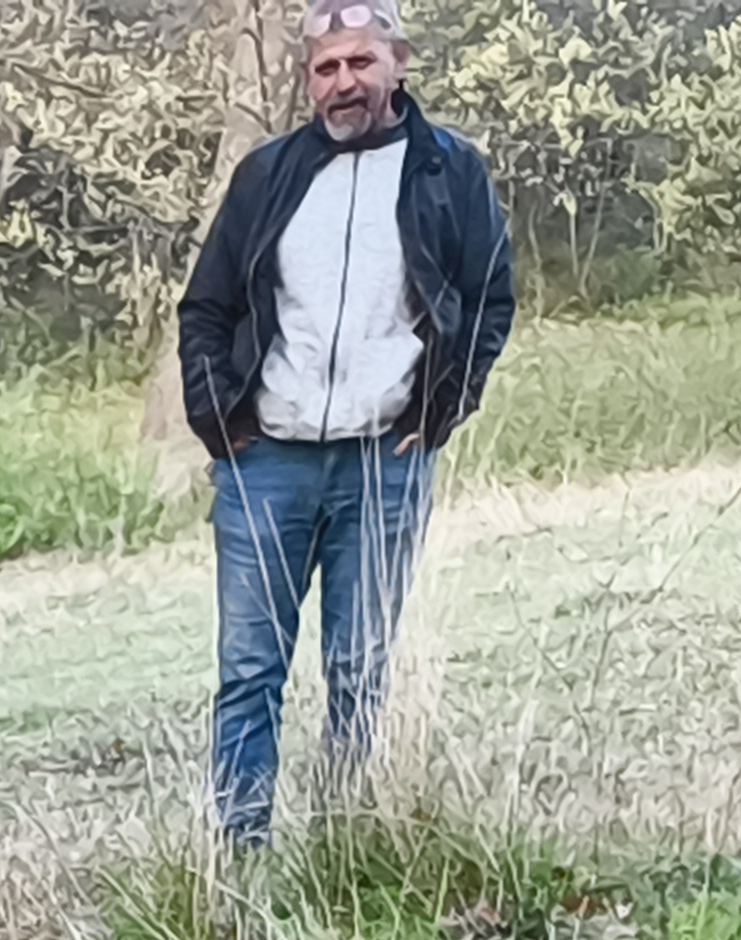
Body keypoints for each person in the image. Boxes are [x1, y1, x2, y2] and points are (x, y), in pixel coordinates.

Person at [173, 4, 518, 854]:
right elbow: (206, 308)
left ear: (397, 63)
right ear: (308, 80)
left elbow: (489, 301)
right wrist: (221, 421)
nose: (344, 83)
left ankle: (346, 847)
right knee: (250, 672)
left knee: (360, 671)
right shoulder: (267, 176)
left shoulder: (450, 172)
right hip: (267, 464)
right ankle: (240, 852)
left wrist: (440, 410)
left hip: (385, 465)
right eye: (326, 68)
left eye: (361, 63)